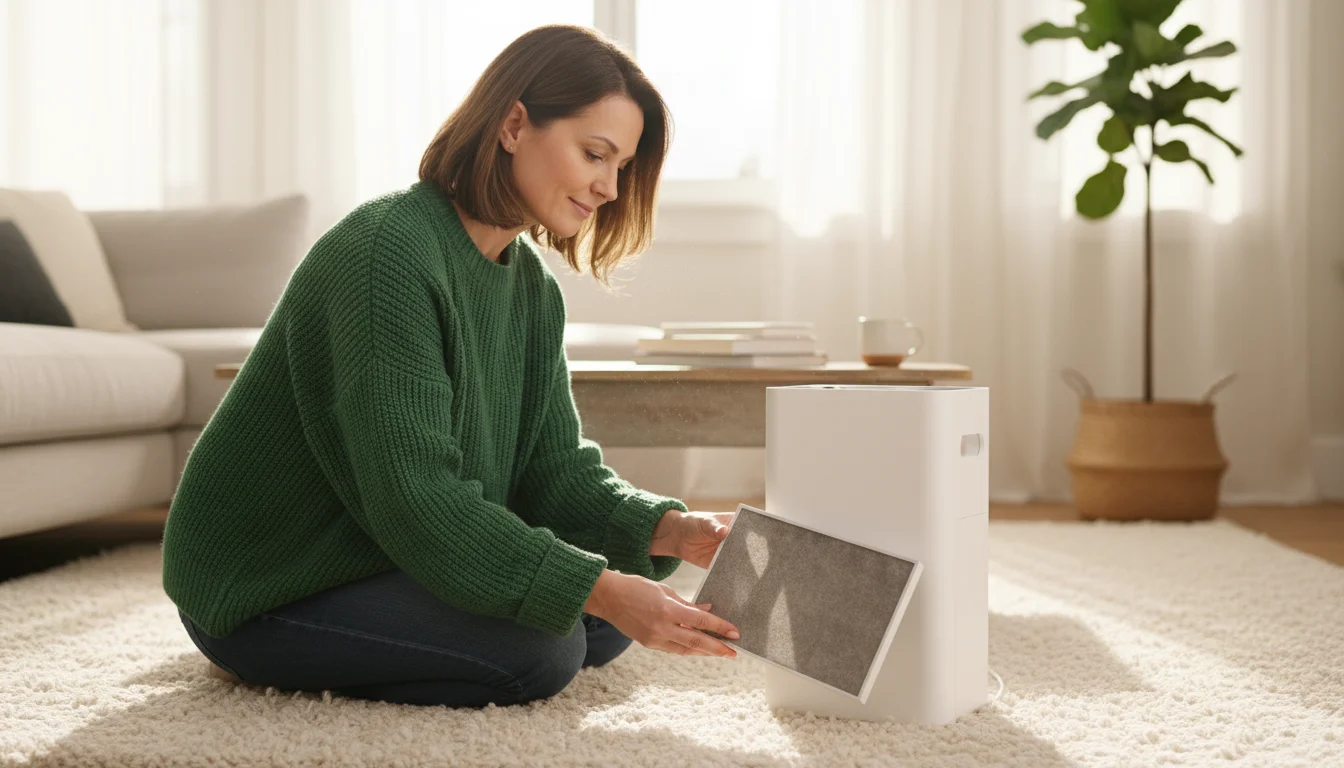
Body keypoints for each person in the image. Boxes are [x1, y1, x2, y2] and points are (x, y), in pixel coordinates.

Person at [161, 24, 742, 708]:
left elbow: (554, 471)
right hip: (271, 581)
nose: (610, 187)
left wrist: (667, 529)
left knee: (606, 622)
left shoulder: (530, 287)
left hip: (382, 552)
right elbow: (418, 499)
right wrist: (596, 589)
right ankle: (263, 656)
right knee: (545, 651)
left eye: (621, 167)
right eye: (595, 154)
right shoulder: (386, 254)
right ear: (514, 125)